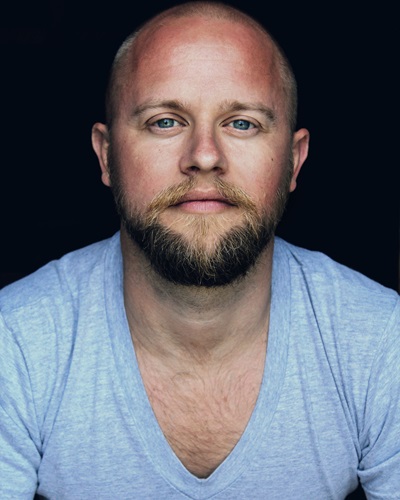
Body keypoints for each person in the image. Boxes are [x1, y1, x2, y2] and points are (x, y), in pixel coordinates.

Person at [0, 1, 399, 498]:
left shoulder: (382, 342)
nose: (205, 156)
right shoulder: (14, 343)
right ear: (106, 156)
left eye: (243, 123)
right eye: (166, 122)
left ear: (294, 162)